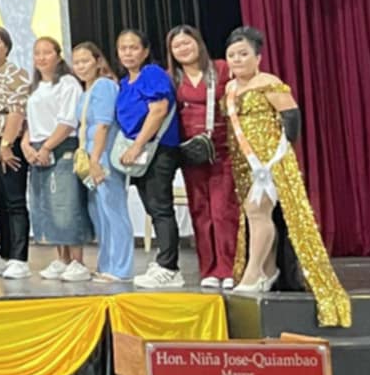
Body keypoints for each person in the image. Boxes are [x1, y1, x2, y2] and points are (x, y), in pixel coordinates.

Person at [225, 27, 351, 326]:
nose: (237, 60)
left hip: (270, 162)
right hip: (244, 163)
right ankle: (268, 270)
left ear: (258, 57)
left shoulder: (269, 83)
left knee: (258, 211)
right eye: (231, 55)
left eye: (243, 54)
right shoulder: (230, 89)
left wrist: (275, 157)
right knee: (255, 214)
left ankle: (253, 272)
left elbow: (291, 119)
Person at [168, 25, 238, 289]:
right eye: (177, 46)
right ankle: (208, 269)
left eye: (187, 43)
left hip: (223, 150)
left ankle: (228, 268)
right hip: (191, 153)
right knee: (200, 211)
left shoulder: (220, 69)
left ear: (198, 43)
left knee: (223, 210)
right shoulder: (173, 78)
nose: (183, 49)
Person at [115, 29, 184, 289]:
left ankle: (169, 268)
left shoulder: (152, 74)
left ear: (145, 51)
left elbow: (158, 111)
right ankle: (164, 259)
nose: (128, 53)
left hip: (157, 149)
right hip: (140, 153)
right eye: (123, 48)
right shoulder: (125, 82)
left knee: (160, 207)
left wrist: (137, 146)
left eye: (134, 48)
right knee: (152, 208)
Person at [23, 37, 92, 281]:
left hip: (61, 146)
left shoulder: (67, 83)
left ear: (58, 56)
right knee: (47, 205)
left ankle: (78, 262)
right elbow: (30, 121)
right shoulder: (35, 87)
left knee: (66, 203)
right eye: (37, 53)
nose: (41, 58)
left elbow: (68, 121)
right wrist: (26, 144)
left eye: (47, 52)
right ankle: (62, 259)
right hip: (38, 147)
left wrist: (47, 147)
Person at [74, 42, 132, 283]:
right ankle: (107, 264)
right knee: (99, 212)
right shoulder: (86, 91)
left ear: (98, 61)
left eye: (85, 61)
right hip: (90, 154)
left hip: (103, 154)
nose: (80, 67)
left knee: (113, 209)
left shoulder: (104, 86)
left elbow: (103, 125)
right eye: (76, 62)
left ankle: (121, 268)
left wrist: (96, 160)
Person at [0, 27, 33, 280]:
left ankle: (19, 258)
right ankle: (5, 254)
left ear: (7, 46)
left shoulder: (17, 74)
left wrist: (7, 144)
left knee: (14, 201)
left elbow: (17, 111)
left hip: (8, 142)